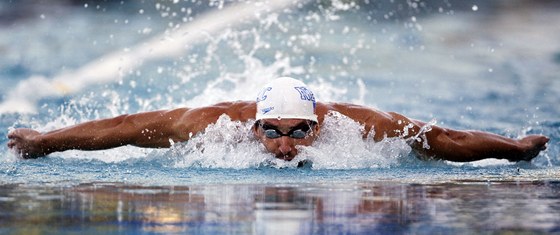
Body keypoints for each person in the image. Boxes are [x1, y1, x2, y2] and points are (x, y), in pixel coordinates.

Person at [7, 77, 549, 162]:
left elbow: (443, 137)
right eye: (272, 131)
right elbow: (124, 126)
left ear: (319, 124)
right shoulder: (209, 123)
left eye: (299, 132)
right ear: (253, 126)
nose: (286, 146)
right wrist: (45, 142)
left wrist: (514, 149)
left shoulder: (358, 124)